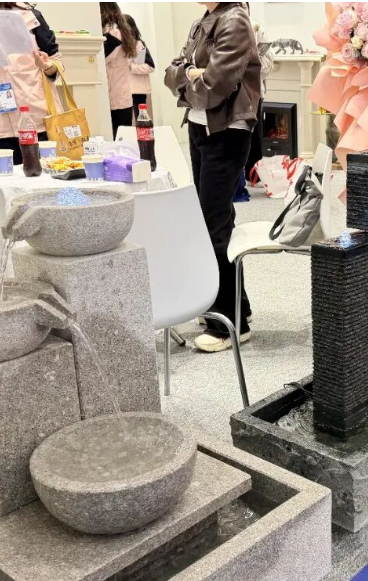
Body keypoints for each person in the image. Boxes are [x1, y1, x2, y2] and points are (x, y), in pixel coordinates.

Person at [165, 2, 261, 353]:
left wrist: (189, 75)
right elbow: (171, 71)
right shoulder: (205, 20)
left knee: (213, 224)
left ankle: (230, 324)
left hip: (226, 131)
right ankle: (235, 307)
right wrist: (191, 73)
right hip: (200, 127)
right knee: (214, 220)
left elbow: (215, 85)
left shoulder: (234, 21)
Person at [0, 2, 63, 165]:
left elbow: (56, 61)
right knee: (6, 177)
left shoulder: (29, 15)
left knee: (45, 175)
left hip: (36, 118)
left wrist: (46, 66)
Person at [235, 2, 274, 202]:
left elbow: (268, 63)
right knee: (237, 137)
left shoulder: (258, 29)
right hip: (231, 94)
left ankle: (254, 174)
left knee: (254, 134)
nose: (242, 9)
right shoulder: (224, 28)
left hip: (254, 91)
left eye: (244, 6)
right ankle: (237, 180)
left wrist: (253, 64)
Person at [100, 2, 136, 139]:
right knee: (122, 138)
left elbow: (101, 59)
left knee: (119, 138)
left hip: (116, 98)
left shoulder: (113, 34)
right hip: (121, 96)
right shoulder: (119, 30)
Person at [126, 14, 155, 120]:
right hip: (124, 90)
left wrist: (130, 67)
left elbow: (150, 66)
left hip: (138, 90)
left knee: (141, 121)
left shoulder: (139, 45)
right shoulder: (118, 45)